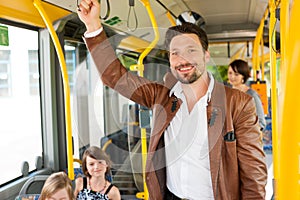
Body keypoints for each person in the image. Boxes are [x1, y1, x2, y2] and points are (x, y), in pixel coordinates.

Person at [77, 0, 268, 199]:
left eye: (191, 50)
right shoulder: (161, 97)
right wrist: (93, 27)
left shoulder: (238, 103)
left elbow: (253, 173)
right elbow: (115, 77)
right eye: (175, 53)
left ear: (206, 55)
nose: (182, 59)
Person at [227, 59, 266, 131]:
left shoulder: (251, 95)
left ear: (243, 76)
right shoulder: (227, 93)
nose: (232, 77)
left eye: (236, 74)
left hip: (246, 138)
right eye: (230, 73)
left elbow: (261, 122)